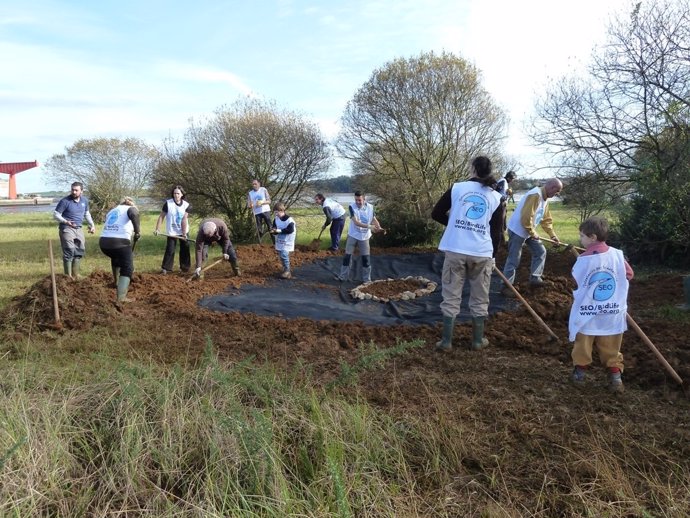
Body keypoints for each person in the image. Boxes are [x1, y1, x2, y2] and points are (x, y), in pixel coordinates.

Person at [431, 155, 503, 351]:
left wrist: (455, 226)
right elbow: (496, 233)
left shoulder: (457, 188)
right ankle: (478, 341)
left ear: (472, 168)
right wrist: (494, 256)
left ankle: (446, 342)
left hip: (455, 250)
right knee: (480, 298)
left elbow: (436, 213)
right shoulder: (496, 197)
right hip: (482, 253)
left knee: (451, 296)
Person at [569, 216, 634, 393]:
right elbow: (629, 275)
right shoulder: (618, 256)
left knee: (583, 343)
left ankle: (579, 375)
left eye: (582, 236)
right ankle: (615, 378)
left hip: (587, 313)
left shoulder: (583, 260)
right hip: (611, 312)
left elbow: (577, 281)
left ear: (592, 237)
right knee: (611, 346)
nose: (580, 239)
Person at [501, 178, 563, 292]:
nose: (557, 194)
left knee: (540, 251)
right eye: (557, 191)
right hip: (518, 230)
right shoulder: (535, 195)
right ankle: (506, 286)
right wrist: (533, 232)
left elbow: (546, 220)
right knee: (514, 258)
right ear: (552, 187)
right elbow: (526, 217)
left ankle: (535, 278)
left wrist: (552, 236)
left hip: (529, 231)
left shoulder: (545, 199)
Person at [99, 197, 140, 304]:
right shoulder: (131, 208)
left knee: (116, 257)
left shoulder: (113, 210)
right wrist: (137, 232)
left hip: (104, 243)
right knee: (128, 267)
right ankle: (121, 298)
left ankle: (116, 282)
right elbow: (134, 213)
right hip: (120, 243)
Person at [338, 191, 384, 283]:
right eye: (356, 200)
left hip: (364, 236)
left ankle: (367, 280)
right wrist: (369, 226)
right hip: (353, 234)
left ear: (364, 199)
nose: (357, 202)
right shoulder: (352, 207)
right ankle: (343, 277)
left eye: (359, 200)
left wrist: (379, 227)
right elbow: (356, 222)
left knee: (366, 258)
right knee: (347, 256)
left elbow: (374, 219)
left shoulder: (370, 207)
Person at [53, 181, 96, 278]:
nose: (74, 192)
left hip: (79, 228)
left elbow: (87, 214)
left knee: (79, 250)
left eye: (76, 190)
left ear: (82, 191)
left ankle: (76, 274)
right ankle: (68, 277)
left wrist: (92, 225)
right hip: (67, 228)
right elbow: (56, 214)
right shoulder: (65, 201)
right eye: (72, 190)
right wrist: (65, 221)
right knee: (69, 250)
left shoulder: (84, 201)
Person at [153, 185, 191, 274]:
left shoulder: (187, 205)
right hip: (172, 231)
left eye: (178, 193)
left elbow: (184, 219)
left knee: (185, 249)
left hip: (184, 230)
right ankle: (166, 268)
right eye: (174, 193)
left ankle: (184, 269)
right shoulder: (168, 204)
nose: (176, 195)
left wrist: (184, 233)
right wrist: (157, 229)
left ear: (182, 194)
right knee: (170, 249)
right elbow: (161, 216)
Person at [269, 202, 296, 279]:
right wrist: (273, 230)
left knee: (284, 254)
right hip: (280, 240)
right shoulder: (276, 219)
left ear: (282, 211)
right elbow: (274, 226)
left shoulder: (289, 220)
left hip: (288, 240)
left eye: (277, 212)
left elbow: (290, 230)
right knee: (281, 255)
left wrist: (279, 231)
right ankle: (285, 270)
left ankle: (287, 271)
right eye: (275, 213)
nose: (276, 214)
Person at [247, 179, 274, 244]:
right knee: (259, 229)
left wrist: (262, 202)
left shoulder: (263, 190)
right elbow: (248, 205)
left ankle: (275, 243)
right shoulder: (250, 193)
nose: (254, 185)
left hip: (265, 210)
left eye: (255, 184)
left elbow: (269, 201)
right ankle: (260, 244)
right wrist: (251, 205)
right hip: (257, 213)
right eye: (253, 184)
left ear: (259, 184)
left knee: (270, 227)